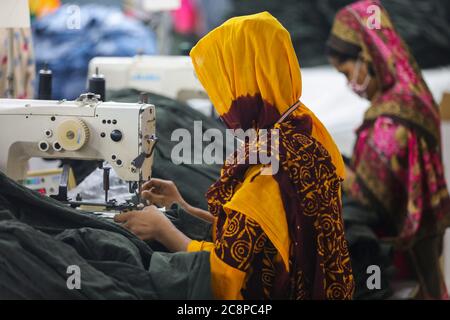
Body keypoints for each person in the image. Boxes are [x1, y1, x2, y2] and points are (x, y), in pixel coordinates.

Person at [115, 12, 354, 300]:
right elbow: (256, 237)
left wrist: (163, 230)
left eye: (225, 85)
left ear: (244, 81)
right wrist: (185, 209)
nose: (221, 101)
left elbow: (224, 277)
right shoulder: (303, 128)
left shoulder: (268, 166)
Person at [326, 0, 450, 299]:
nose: (350, 84)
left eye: (346, 72)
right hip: (426, 249)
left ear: (367, 55)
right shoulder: (415, 94)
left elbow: (368, 198)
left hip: (393, 260)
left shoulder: (389, 123)